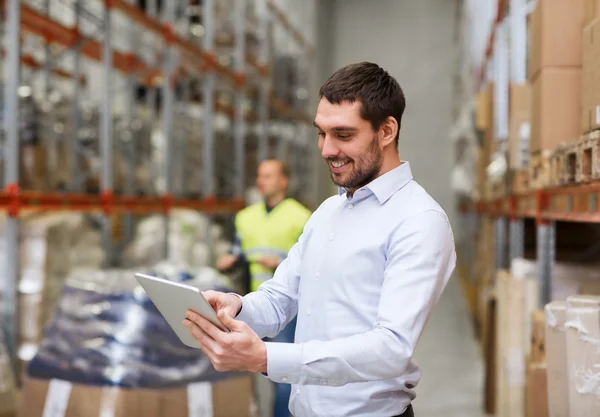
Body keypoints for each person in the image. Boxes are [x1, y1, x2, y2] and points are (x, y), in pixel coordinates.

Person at [183, 62, 456, 417]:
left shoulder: (419, 220)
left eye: (343, 135)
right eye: (321, 133)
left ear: (387, 130)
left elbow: (391, 348)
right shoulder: (328, 211)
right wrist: (236, 307)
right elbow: (280, 299)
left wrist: (266, 358)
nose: (326, 150)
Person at [216, 159, 311, 417]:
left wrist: (280, 262)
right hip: (252, 303)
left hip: (287, 308)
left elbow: (312, 263)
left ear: (283, 181)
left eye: (268, 176)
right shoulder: (246, 218)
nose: (261, 181)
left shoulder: (301, 217)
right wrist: (228, 260)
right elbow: (238, 252)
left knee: (283, 376)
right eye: (259, 176)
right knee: (250, 372)